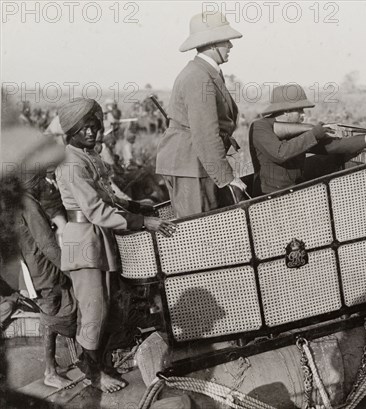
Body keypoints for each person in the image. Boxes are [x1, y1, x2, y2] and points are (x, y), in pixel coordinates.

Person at [55, 97, 176, 393]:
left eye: (95, 127)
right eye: (85, 129)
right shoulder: (72, 163)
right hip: (84, 242)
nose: (92, 133)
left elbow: (108, 197)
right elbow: (95, 210)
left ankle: (102, 364)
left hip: (98, 240)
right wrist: (140, 222)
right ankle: (93, 374)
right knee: (94, 310)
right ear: (71, 132)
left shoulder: (88, 157)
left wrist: (136, 205)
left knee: (107, 307)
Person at [155, 11, 246, 218]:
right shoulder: (199, 77)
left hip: (196, 163)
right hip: (190, 165)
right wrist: (227, 178)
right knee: (199, 232)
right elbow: (205, 135)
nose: (230, 46)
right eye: (227, 41)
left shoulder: (206, 72)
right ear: (213, 43)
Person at [249, 84, 366, 195]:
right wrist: (313, 134)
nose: (303, 115)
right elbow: (280, 153)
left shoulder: (297, 129)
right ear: (286, 111)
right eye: (299, 110)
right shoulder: (260, 127)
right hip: (270, 196)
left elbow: (333, 146)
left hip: (296, 190)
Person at [16, 170, 77, 389]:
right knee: (50, 313)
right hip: (42, 270)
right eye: (39, 178)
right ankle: (50, 371)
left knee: (49, 312)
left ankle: (59, 365)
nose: (43, 182)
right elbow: (48, 246)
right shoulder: (28, 204)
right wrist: (70, 270)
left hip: (31, 268)